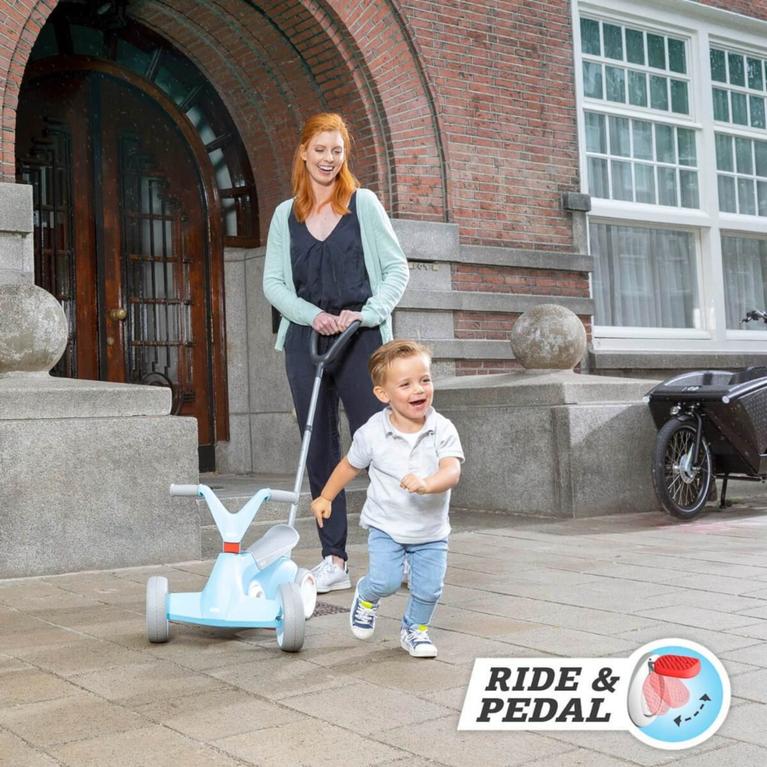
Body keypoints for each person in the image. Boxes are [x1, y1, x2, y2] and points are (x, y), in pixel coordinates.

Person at [263, 113, 409, 593]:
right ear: (303, 152)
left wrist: (368, 312)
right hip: (307, 342)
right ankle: (334, 559)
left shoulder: (362, 204)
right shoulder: (286, 215)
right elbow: (274, 285)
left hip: (362, 339)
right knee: (319, 446)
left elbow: (396, 271)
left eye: (337, 151)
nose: (328, 159)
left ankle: (403, 551)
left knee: (381, 445)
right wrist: (311, 315)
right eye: (320, 150)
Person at [310, 340, 464, 658]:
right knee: (386, 581)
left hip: (431, 531)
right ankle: (367, 596)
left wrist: (427, 483)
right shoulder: (372, 432)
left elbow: (452, 471)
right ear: (383, 394)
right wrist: (325, 496)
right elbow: (349, 465)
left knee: (429, 589)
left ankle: (415, 630)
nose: (418, 390)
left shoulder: (442, 428)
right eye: (405, 384)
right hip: (386, 526)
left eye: (425, 380)